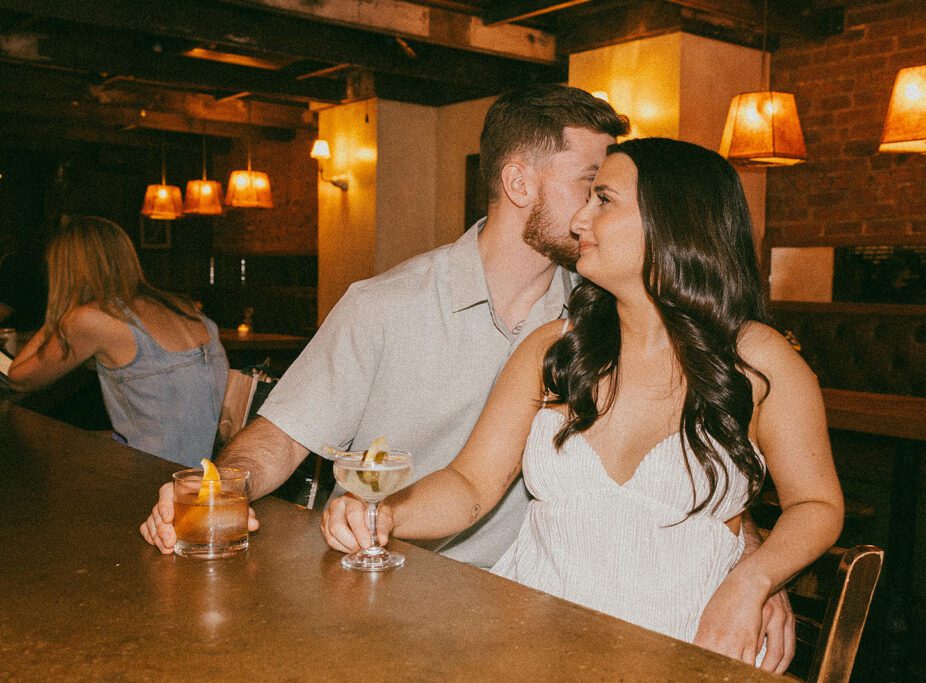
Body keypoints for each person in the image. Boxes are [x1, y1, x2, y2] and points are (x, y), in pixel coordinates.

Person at [141, 87, 795, 670]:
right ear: (519, 183)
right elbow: (279, 440)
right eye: (589, 183)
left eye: (607, 193)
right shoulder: (384, 305)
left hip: (549, 614)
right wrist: (209, 495)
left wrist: (758, 568)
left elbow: (692, 467)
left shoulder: (609, 313)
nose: (590, 212)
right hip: (391, 599)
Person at [322, 139, 843, 666]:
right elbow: (471, 485)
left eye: (604, 200)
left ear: (672, 222)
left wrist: (753, 583)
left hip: (687, 643)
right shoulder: (554, 347)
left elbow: (816, 505)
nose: (578, 220)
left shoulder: (759, 360)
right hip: (533, 641)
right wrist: (385, 513)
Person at [8, 216, 228, 467]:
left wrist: (59, 311)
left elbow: (20, 378)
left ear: (64, 270)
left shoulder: (91, 318)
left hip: (153, 478)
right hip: (205, 470)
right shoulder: (184, 308)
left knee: (34, 458)